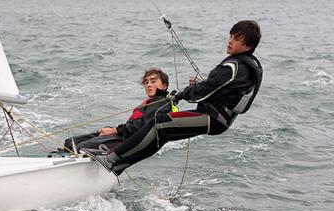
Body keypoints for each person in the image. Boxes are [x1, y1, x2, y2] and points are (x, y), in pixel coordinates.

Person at [90, 20, 263, 175]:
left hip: (213, 118)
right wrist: (198, 87)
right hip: (218, 118)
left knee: (159, 122)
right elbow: (222, 90)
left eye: (237, 38)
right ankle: (120, 165)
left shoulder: (234, 67)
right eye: (231, 35)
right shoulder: (247, 65)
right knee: (164, 133)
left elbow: (204, 91)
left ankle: (112, 158)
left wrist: (181, 94)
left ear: (248, 45)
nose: (230, 40)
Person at [62, 68, 177, 153]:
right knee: (70, 142)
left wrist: (115, 130)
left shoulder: (161, 102)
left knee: (80, 147)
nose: (148, 85)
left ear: (164, 86)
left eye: (153, 81)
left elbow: (142, 126)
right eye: (146, 82)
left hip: (129, 142)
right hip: (123, 134)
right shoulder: (151, 102)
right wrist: (113, 130)